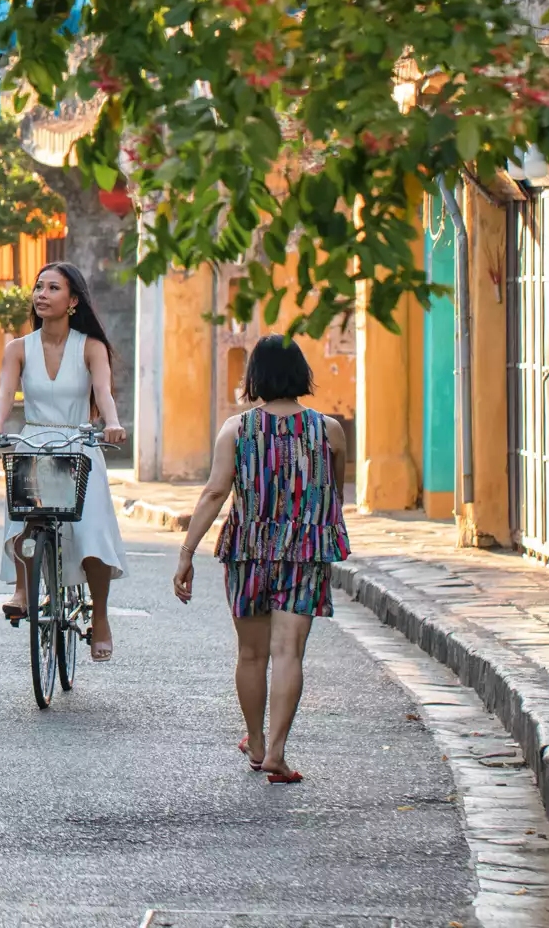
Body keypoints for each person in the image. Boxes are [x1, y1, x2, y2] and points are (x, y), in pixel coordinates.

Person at [172, 334, 348, 784]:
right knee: (289, 652)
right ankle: (276, 751)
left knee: (251, 654)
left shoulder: (236, 429)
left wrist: (187, 552)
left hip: (248, 551)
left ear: (254, 377)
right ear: (301, 375)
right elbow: (335, 487)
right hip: (305, 552)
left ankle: (254, 739)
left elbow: (214, 492)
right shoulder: (328, 429)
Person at [0, 262, 130, 661]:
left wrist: (111, 424)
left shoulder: (91, 347)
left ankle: (100, 616)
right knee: (24, 518)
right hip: (35, 439)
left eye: (53, 288)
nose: (41, 294)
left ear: (73, 301)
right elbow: (4, 397)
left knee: (93, 533)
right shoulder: (17, 349)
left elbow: (105, 395)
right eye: (39, 287)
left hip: (79, 442)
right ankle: (23, 591)